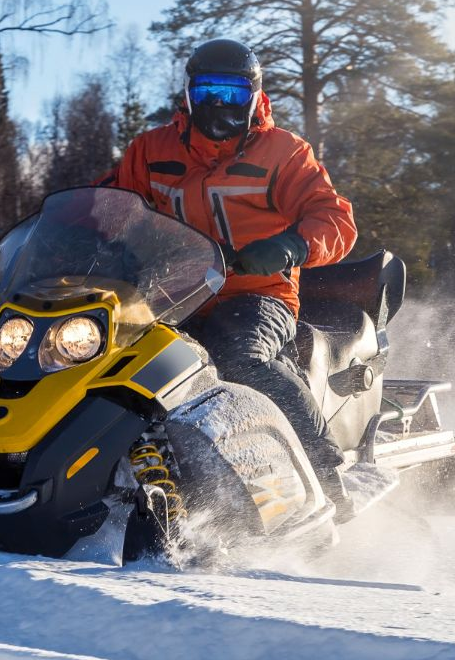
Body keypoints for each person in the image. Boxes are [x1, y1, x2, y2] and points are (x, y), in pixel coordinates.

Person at [99, 38, 358, 520]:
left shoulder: (283, 152)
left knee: (240, 356)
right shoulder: (150, 150)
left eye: (233, 94)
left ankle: (325, 477)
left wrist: (292, 245)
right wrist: (69, 234)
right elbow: (110, 207)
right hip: (169, 295)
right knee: (96, 354)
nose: (220, 105)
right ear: (189, 95)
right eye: (208, 92)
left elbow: (335, 219)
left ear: (255, 97)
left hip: (257, 292)